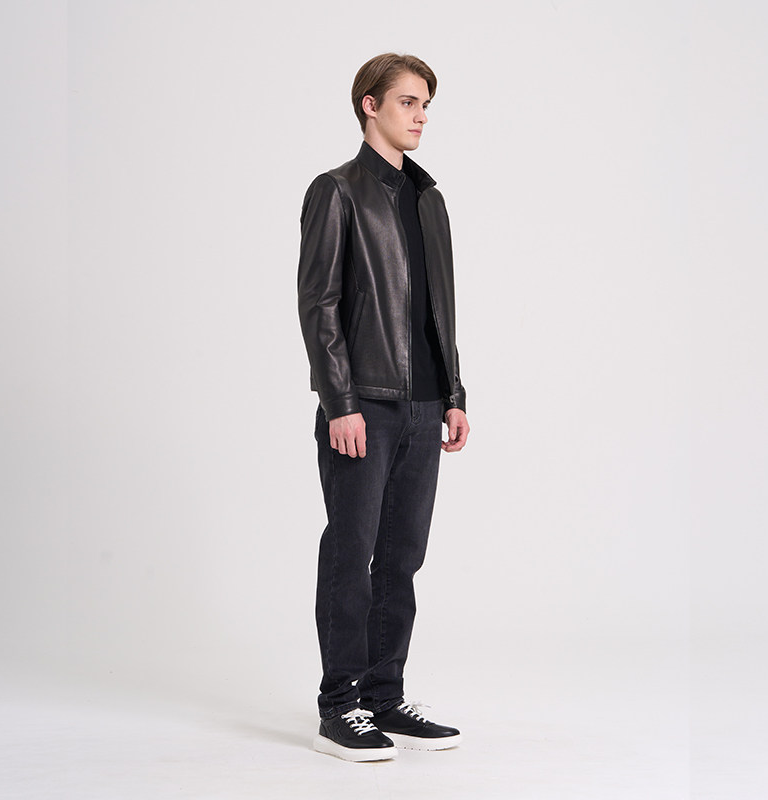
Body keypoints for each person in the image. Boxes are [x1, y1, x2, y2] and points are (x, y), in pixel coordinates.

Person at [297, 53, 470, 762]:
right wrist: (339, 401)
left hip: (424, 407)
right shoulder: (337, 191)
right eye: (408, 102)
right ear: (370, 105)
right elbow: (319, 305)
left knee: (401, 559)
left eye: (426, 103)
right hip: (362, 406)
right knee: (352, 553)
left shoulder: (429, 199)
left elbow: (439, 309)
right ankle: (340, 705)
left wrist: (453, 394)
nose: (421, 115)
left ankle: (384, 695)